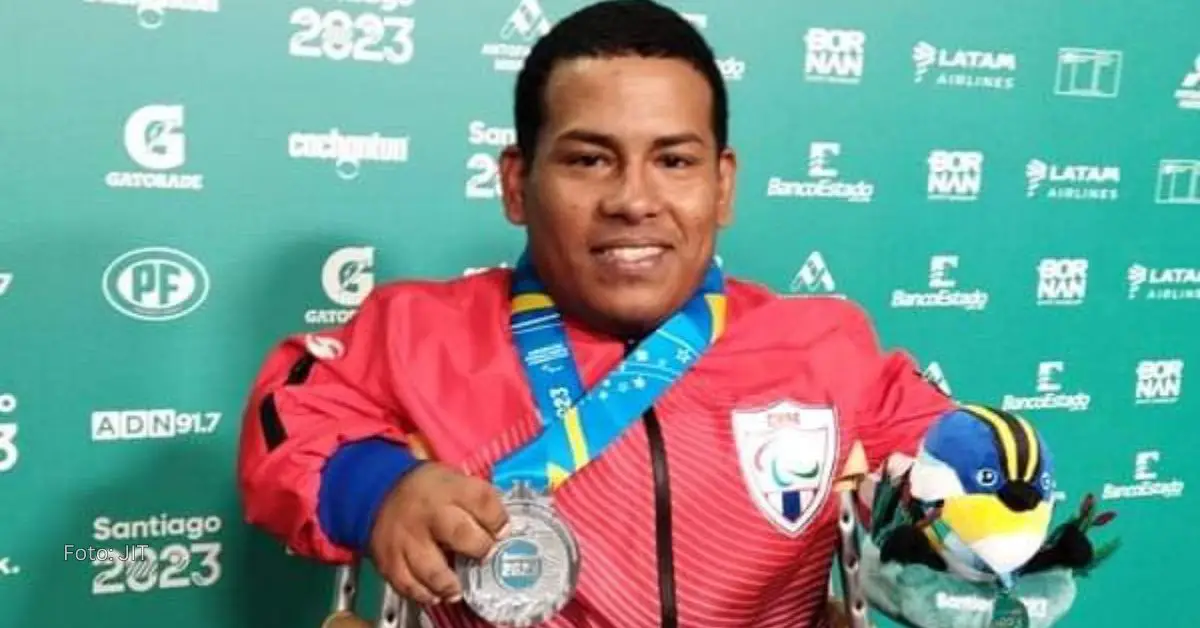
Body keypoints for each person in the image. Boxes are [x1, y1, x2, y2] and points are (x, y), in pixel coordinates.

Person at [236, 1, 957, 626]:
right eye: (589, 160)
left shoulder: (820, 342)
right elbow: (291, 418)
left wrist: (989, 521)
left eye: (673, 161)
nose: (634, 200)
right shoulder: (419, 332)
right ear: (518, 184)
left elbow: (952, 457)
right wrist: (379, 489)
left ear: (722, 184)